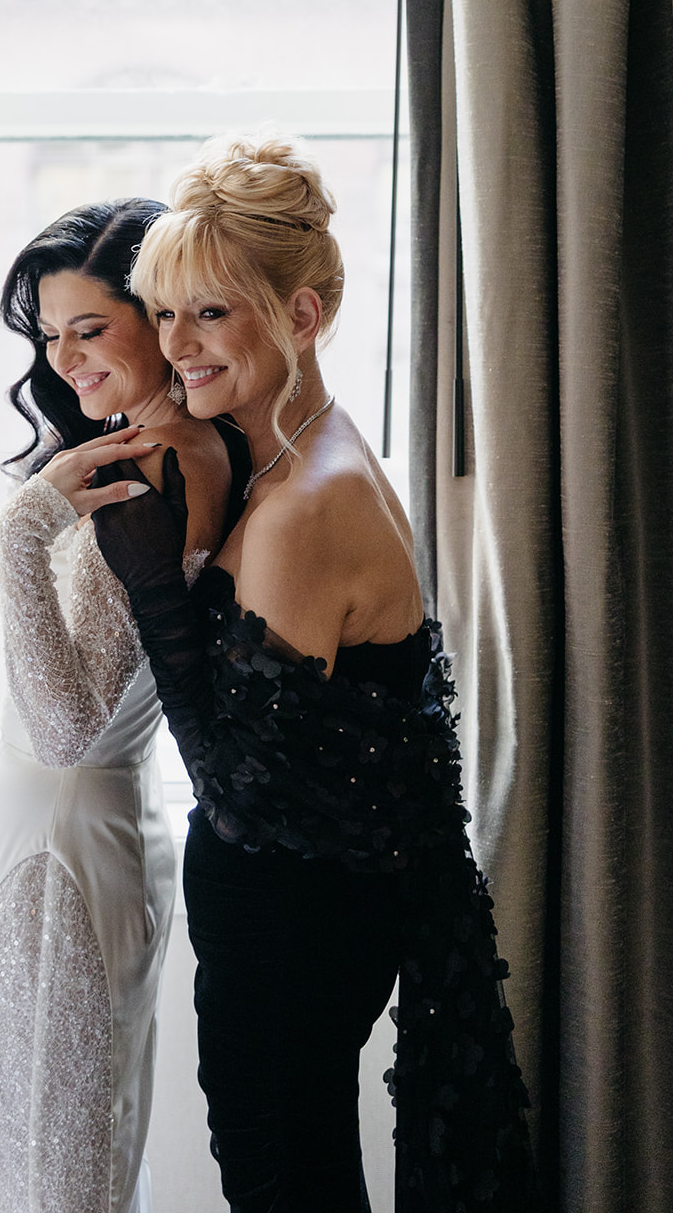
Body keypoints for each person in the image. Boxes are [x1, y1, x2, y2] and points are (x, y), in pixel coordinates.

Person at [92, 137, 537, 1213]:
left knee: (284, 1181)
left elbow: (238, 783)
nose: (176, 346)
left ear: (301, 313)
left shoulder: (303, 508)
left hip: (290, 926)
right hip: (306, 910)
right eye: (163, 312)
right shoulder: (303, 453)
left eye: (211, 312)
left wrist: (153, 583)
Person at [0, 198, 236, 1213]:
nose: (65, 360)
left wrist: (20, 535)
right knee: (45, 1133)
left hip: (68, 841)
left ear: (156, 316)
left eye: (89, 328)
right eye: (49, 335)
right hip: (60, 833)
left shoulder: (155, 467)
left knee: (54, 1153)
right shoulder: (130, 450)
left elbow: (71, 724)